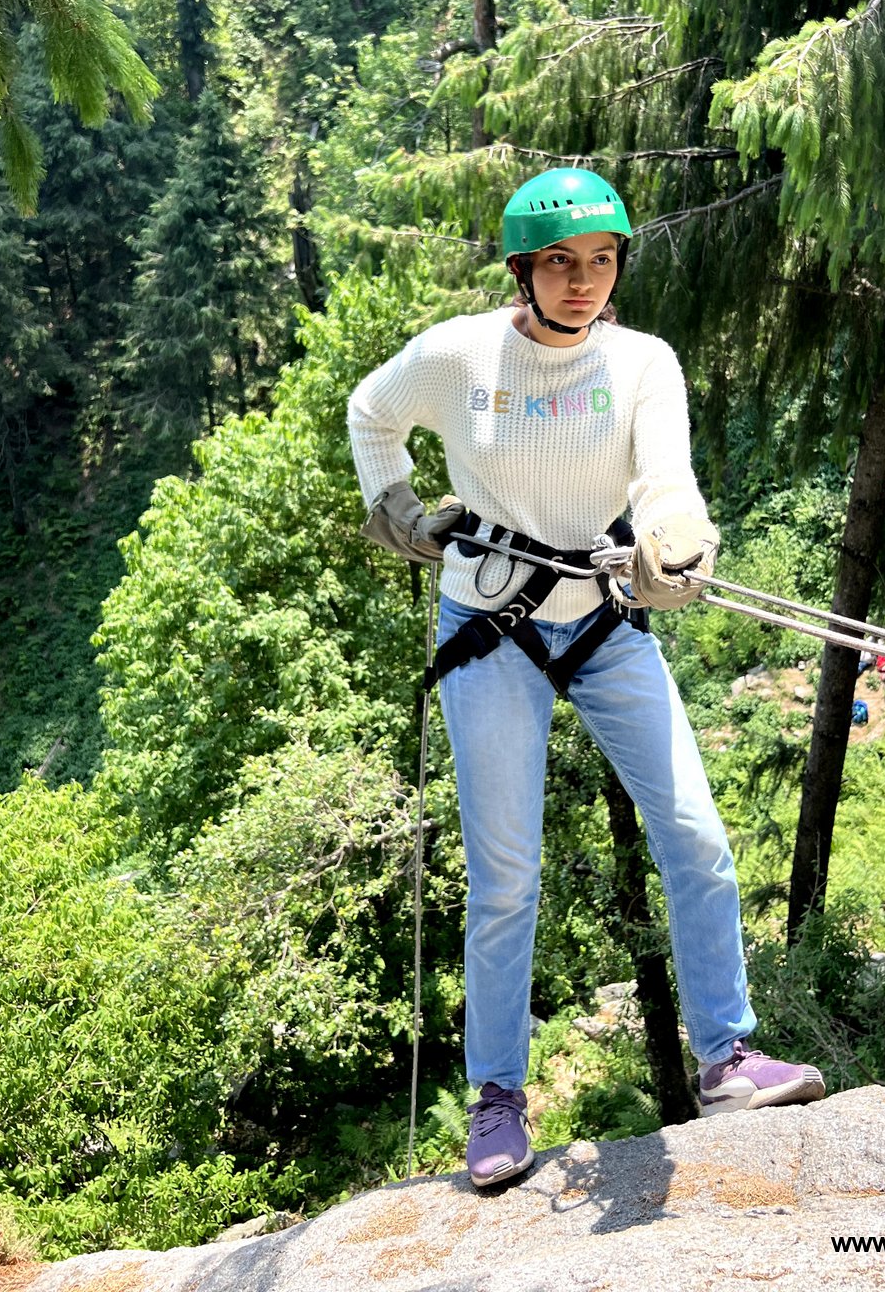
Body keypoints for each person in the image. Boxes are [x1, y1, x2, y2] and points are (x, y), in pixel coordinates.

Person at [347, 168, 825, 1189]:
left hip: (604, 622)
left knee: (695, 836)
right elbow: (370, 409)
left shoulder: (642, 361)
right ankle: (497, 1098)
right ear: (523, 269)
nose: (584, 280)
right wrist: (395, 506)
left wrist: (675, 543)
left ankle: (728, 1058)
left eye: (602, 260)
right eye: (562, 261)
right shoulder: (460, 354)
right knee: (506, 876)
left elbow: (664, 479)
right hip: (491, 625)